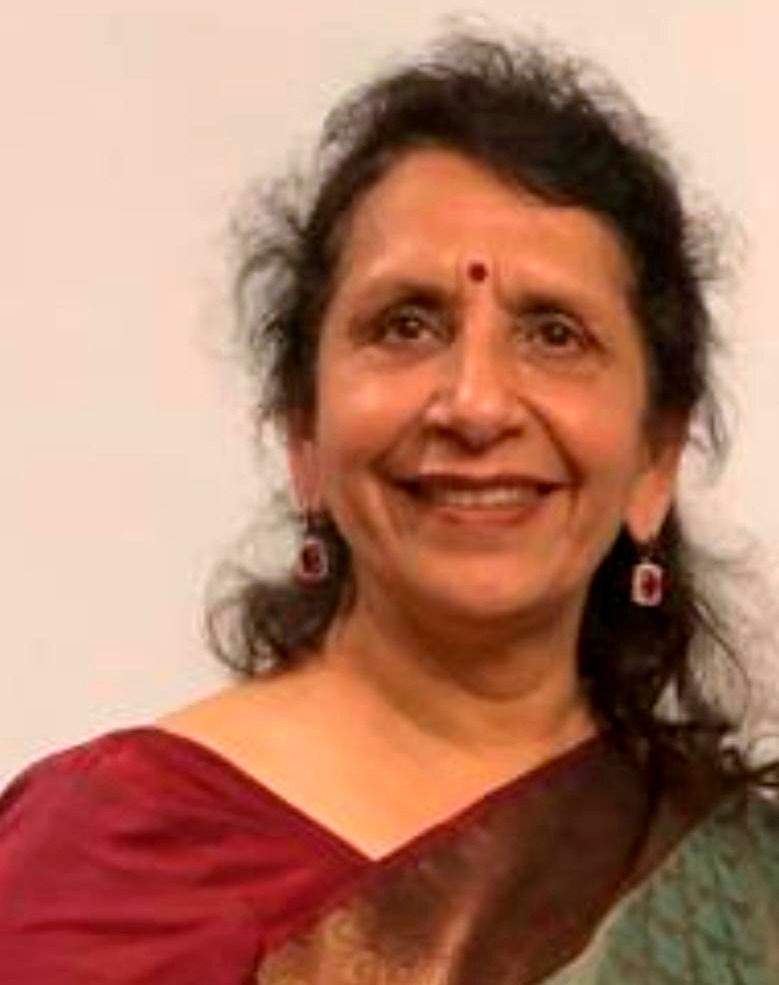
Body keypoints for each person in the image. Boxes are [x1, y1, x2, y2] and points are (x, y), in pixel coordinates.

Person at [1, 32, 777, 984]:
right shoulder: (116, 860)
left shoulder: (745, 896)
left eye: (554, 334)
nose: (476, 404)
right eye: (406, 324)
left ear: (655, 453)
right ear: (304, 431)